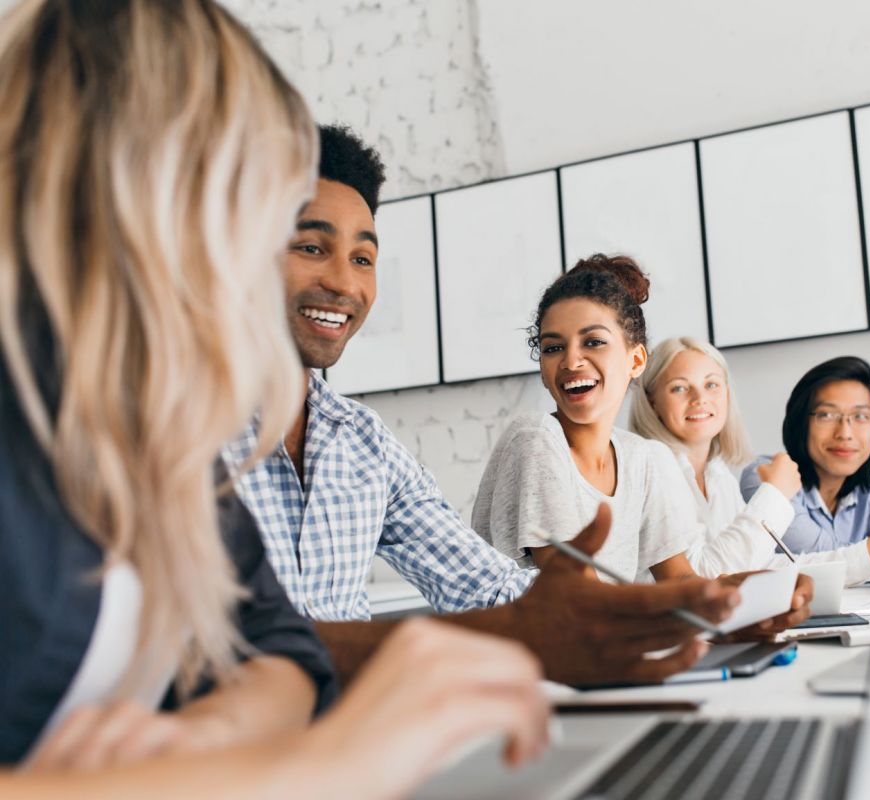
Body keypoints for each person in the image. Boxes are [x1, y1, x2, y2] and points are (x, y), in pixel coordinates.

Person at [0, 0, 548, 794]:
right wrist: (316, 767)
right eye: (251, 200)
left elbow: (279, 650)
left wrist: (207, 737)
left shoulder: (147, 418)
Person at [227, 126, 745, 685]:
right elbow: (197, 648)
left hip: (355, 745)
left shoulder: (361, 442)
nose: (343, 283)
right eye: (311, 247)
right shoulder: (170, 429)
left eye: (363, 258)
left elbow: (483, 583)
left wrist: (719, 614)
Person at [473, 256, 813, 630]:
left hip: (603, 650)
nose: (571, 360)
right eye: (553, 348)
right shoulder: (537, 440)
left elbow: (680, 580)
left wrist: (756, 594)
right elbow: (577, 595)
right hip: (527, 662)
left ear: (636, 360)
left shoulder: (644, 458)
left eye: (593, 342)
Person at [630, 338, 870, 585]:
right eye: (679, 388)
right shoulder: (653, 461)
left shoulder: (718, 474)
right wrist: (775, 493)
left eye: (711, 384)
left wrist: (865, 557)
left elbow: (760, 567)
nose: (699, 399)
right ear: (653, 402)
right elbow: (701, 579)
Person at [740, 356, 870, 568]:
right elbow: (821, 560)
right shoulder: (765, 475)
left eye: (860, 416)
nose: (845, 433)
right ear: (801, 422)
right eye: (826, 415)